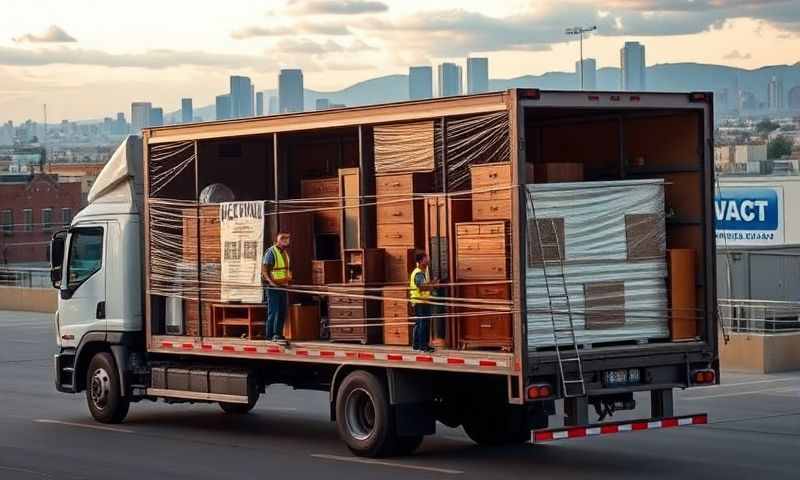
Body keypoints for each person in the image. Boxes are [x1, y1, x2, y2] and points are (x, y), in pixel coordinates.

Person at [262, 232, 292, 346]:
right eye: (283, 238)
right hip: (273, 287)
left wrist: (287, 281)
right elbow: (264, 270)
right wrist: (271, 283)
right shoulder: (271, 252)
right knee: (273, 311)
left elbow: (284, 270)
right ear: (277, 240)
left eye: (287, 238)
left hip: (283, 286)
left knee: (282, 311)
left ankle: (278, 334)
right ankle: (270, 335)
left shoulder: (284, 253)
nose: (286, 240)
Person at [409, 252, 437, 353]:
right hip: (420, 301)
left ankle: (417, 345)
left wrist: (431, 283)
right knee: (423, 324)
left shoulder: (421, 272)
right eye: (426, 258)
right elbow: (421, 287)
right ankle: (423, 346)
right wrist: (433, 286)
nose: (428, 260)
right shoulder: (418, 273)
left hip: (420, 301)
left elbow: (423, 285)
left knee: (419, 323)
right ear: (421, 261)